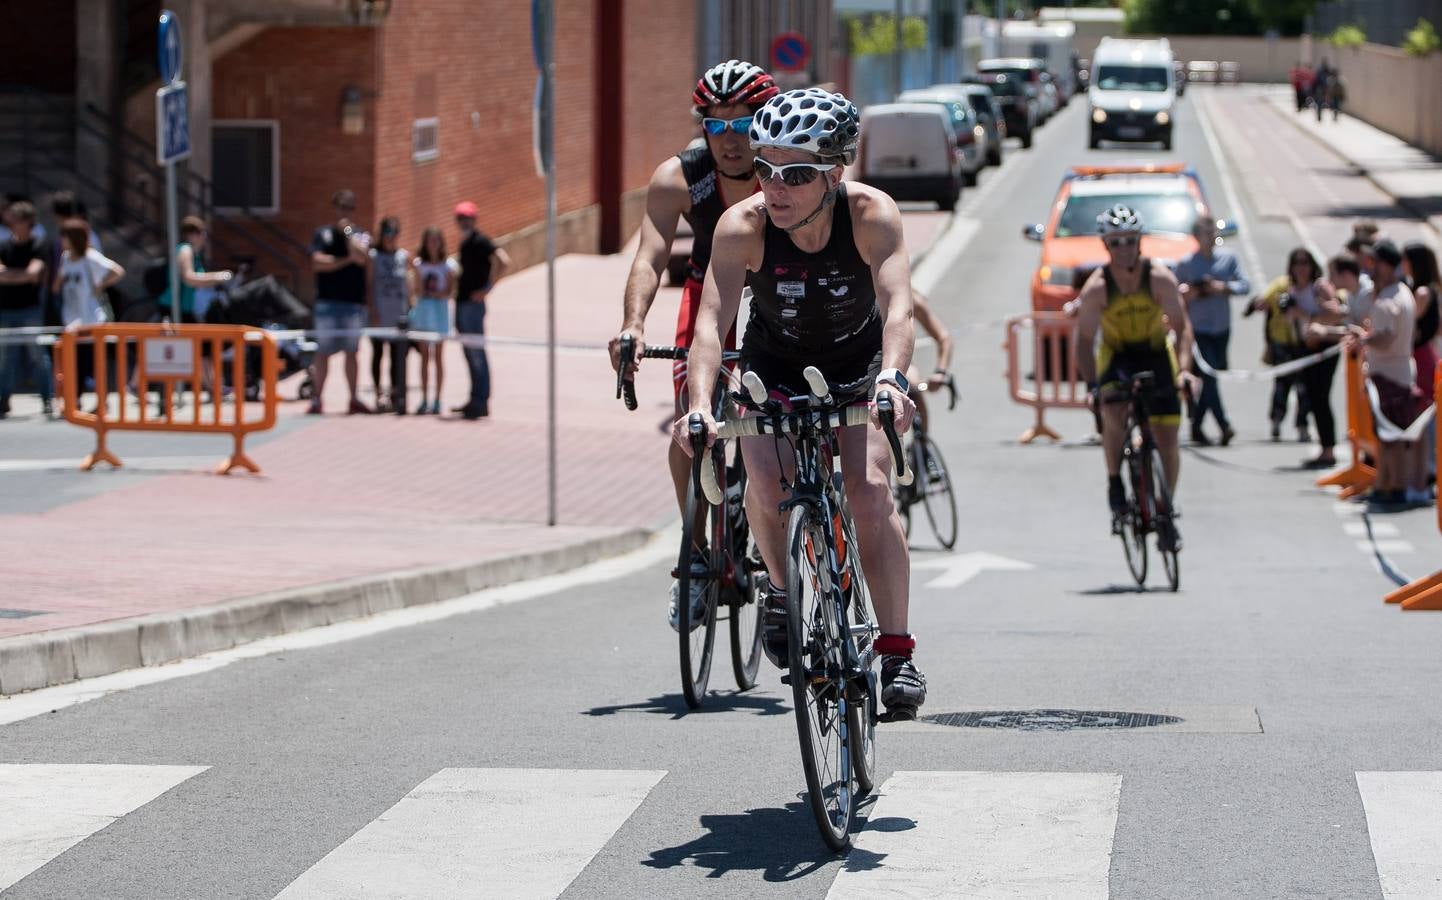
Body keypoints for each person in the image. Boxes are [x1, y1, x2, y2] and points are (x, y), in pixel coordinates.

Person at [676, 88, 928, 721]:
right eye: (764, 169)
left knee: (869, 490)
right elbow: (711, 327)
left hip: (859, 364)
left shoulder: (873, 215)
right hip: (774, 364)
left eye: (795, 173)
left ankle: (896, 652)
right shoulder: (744, 227)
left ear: (835, 172)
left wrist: (894, 380)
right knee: (762, 480)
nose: (774, 186)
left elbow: (899, 306)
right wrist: (700, 406)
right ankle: (782, 591)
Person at [606, 58, 779, 632]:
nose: (730, 139)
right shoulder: (680, 176)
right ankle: (698, 553)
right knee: (691, 421)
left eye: (744, 123)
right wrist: (633, 324)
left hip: (781, 288)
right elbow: (651, 255)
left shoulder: (787, 168)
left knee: (787, 414)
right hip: (713, 289)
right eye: (717, 124)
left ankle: (785, 530)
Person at [1075, 204, 1197, 544]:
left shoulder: (1159, 279)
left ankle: (1165, 507)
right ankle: (1115, 479)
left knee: (1168, 438)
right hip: (1117, 356)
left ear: (1140, 242)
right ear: (1106, 246)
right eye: (1116, 242)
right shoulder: (1097, 288)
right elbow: (1084, 341)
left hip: (1155, 352)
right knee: (1112, 411)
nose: (1124, 249)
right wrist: (1092, 386)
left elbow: (1183, 329)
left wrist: (1185, 372)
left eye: (1130, 240)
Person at [1349, 240, 1427, 508]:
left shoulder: (1390, 299)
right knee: (1390, 437)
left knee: (1392, 437)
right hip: (1398, 371)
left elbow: (1386, 336)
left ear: (1384, 264)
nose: (1369, 267)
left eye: (1373, 262)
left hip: (1390, 374)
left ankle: (1395, 488)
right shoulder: (1401, 292)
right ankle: (1386, 484)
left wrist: (1365, 340)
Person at [1174, 211, 1249, 446]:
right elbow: (1175, 293)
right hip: (1199, 328)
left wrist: (1221, 287)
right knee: (1209, 375)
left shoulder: (1228, 258)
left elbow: (1244, 285)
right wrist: (1191, 291)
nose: (1209, 238)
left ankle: (1196, 425)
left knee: (1211, 377)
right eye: (1204, 234)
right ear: (1196, 237)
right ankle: (1223, 424)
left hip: (1221, 327)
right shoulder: (1186, 263)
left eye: (1212, 233)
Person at [1245, 248, 1329, 443]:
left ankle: (1302, 424)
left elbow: (1335, 306)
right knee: (1282, 384)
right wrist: (1259, 305)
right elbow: (1263, 300)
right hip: (1282, 342)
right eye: (1296, 264)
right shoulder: (1283, 286)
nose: (1301, 268)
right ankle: (1276, 420)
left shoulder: (1318, 288)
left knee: (1305, 388)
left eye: (1305, 263)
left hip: (1307, 343)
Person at [308, 189, 372, 415]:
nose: (344, 212)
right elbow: (317, 263)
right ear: (334, 208)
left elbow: (363, 257)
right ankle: (317, 399)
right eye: (341, 207)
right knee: (323, 352)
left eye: (349, 208)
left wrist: (347, 235)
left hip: (353, 304)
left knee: (351, 352)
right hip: (327, 303)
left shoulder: (359, 234)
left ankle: (353, 398)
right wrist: (346, 260)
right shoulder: (321, 234)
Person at [52, 219, 124, 411]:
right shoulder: (66, 257)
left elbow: (117, 271)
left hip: (91, 320)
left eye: (65, 236)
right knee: (74, 364)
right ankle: (73, 400)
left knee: (95, 364)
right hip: (72, 319)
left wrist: (100, 286)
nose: (62, 240)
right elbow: (60, 280)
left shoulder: (90, 257)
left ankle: (102, 402)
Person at [452, 201, 511, 420]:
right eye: (460, 218)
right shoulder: (465, 242)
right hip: (462, 302)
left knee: (477, 352)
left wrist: (487, 289)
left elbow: (504, 261)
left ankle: (481, 401)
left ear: (474, 219)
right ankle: (474, 397)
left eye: (467, 218)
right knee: (469, 352)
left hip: (473, 306)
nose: (463, 222)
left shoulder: (480, 241)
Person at [0, 201, 53, 419]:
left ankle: (47, 398)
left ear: (27, 222)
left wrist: (10, 276)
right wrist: (21, 276)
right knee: (4, 357)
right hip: (5, 308)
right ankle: (3, 400)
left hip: (30, 308)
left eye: (16, 219)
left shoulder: (39, 245)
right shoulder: (3, 246)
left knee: (37, 355)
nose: (11, 223)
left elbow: (34, 273)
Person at [409, 225, 457, 415]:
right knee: (424, 357)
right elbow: (418, 291)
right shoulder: (420, 265)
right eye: (430, 241)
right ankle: (424, 398)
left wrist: (437, 293)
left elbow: (448, 292)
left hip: (440, 313)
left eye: (436, 240)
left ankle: (437, 399)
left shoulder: (448, 265)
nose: (433, 244)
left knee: (438, 356)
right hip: (424, 311)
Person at [1402, 242, 1439, 488]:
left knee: (1423, 415)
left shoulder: (1423, 292)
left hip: (1422, 357)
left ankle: (1426, 471)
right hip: (1423, 354)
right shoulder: (1426, 289)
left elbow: (1407, 324)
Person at [368, 217, 411, 414]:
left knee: (397, 356)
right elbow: (369, 285)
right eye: (387, 234)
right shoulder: (374, 256)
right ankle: (378, 394)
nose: (390, 238)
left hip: (398, 314)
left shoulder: (403, 256)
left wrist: (410, 309)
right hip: (379, 312)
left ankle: (396, 395)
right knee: (378, 354)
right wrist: (372, 310)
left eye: (394, 234)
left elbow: (409, 285)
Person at [158, 216, 234, 323]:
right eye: (202, 233)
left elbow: (198, 280)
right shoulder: (185, 250)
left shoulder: (194, 254)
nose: (204, 238)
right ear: (192, 235)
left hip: (186, 308)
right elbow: (189, 278)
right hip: (174, 308)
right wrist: (218, 276)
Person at [906, 288, 954, 427]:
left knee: (912, 386)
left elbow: (944, 338)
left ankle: (922, 442)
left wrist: (940, 371)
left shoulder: (910, 298)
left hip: (896, 364)